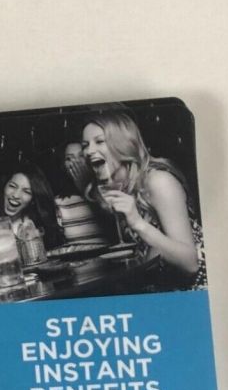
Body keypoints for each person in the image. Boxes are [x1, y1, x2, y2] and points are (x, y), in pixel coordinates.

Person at [80, 111, 206, 287]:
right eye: (85, 145)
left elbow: (190, 263)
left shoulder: (158, 181)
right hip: (160, 286)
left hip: (194, 289)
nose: (88, 151)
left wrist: (138, 223)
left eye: (99, 141)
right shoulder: (120, 187)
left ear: (123, 144)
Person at [0, 162, 62, 272]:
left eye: (26, 191)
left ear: (33, 199)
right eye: (12, 186)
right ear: (5, 185)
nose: (16, 195)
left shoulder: (31, 224)